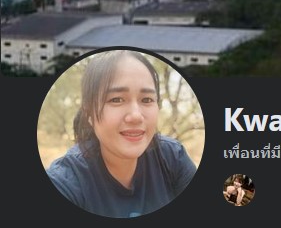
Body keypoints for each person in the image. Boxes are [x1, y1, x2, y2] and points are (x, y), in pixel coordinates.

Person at [46, 50, 197, 218]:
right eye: (116, 99)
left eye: (147, 100)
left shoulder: (173, 157)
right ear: (89, 113)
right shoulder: (65, 182)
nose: (136, 116)